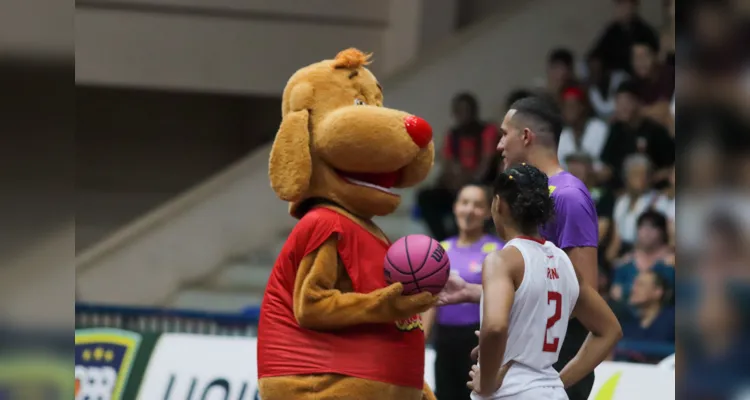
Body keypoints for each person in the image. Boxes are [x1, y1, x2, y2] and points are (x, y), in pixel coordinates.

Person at [448, 96, 602, 400]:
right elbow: (545, 287)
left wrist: (513, 341)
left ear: (526, 136)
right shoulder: (530, 193)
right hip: (533, 363)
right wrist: (479, 294)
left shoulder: (568, 196)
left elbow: (581, 297)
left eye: (505, 134)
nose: (498, 145)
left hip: (551, 363)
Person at [457, 164, 622, 399]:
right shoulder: (565, 263)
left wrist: (486, 382)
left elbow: (494, 328)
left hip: (510, 393)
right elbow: (610, 331)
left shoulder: (501, 261)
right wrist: (556, 383)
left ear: (499, 204)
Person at [421, 183, 504, 400]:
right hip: (444, 340)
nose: (469, 210)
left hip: (479, 340)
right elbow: (431, 302)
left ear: (487, 212)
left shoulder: (498, 250)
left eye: (477, 205)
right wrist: (420, 340)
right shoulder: (440, 250)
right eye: (464, 203)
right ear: (455, 207)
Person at [418, 93, 499, 241]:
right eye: (459, 111)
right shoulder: (452, 135)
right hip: (456, 185)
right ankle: (444, 241)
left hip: (481, 185)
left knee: (469, 195)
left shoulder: (488, 131)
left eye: (467, 110)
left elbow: (485, 167)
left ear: (475, 111)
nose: (463, 115)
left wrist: (465, 180)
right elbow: (448, 165)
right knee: (426, 197)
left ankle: (465, 238)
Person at [600, 81, 675, 189]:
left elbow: (671, 165)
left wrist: (652, 178)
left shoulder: (654, 130)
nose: (623, 107)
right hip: (622, 191)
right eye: (619, 103)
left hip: (653, 191)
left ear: (638, 102)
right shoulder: (615, 129)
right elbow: (607, 164)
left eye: (627, 102)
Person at [609, 210, 675, 304]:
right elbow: (615, 292)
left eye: (653, 227)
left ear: (663, 232)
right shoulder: (626, 263)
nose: (646, 232)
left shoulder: (671, 263)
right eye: (642, 227)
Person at [616, 270, 675, 363]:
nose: (633, 289)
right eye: (634, 284)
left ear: (657, 292)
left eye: (640, 285)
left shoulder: (673, 320)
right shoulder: (626, 323)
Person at [589, 0, 659, 75]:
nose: (623, 10)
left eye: (626, 6)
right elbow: (597, 53)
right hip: (610, 76)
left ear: (634, 7)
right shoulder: (612, 31)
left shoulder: (645, 32)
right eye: (620, 5)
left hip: (634, 77)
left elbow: (653, 58)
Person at [608, 154, 659, 257]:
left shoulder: (657, 201)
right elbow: (616, 239)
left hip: (647, 253)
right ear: (626, 178)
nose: (641, 179)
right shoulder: (621, 202)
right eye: (635, 174)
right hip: (623, 252)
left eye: (644, 175)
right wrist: (610, 258)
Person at [556, 86, 610, 174]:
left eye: (573, 106)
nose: (569, 111)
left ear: (583, 107)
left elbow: (604, 166)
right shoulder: (563, 135)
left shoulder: (599, 128)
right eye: (566, 107)